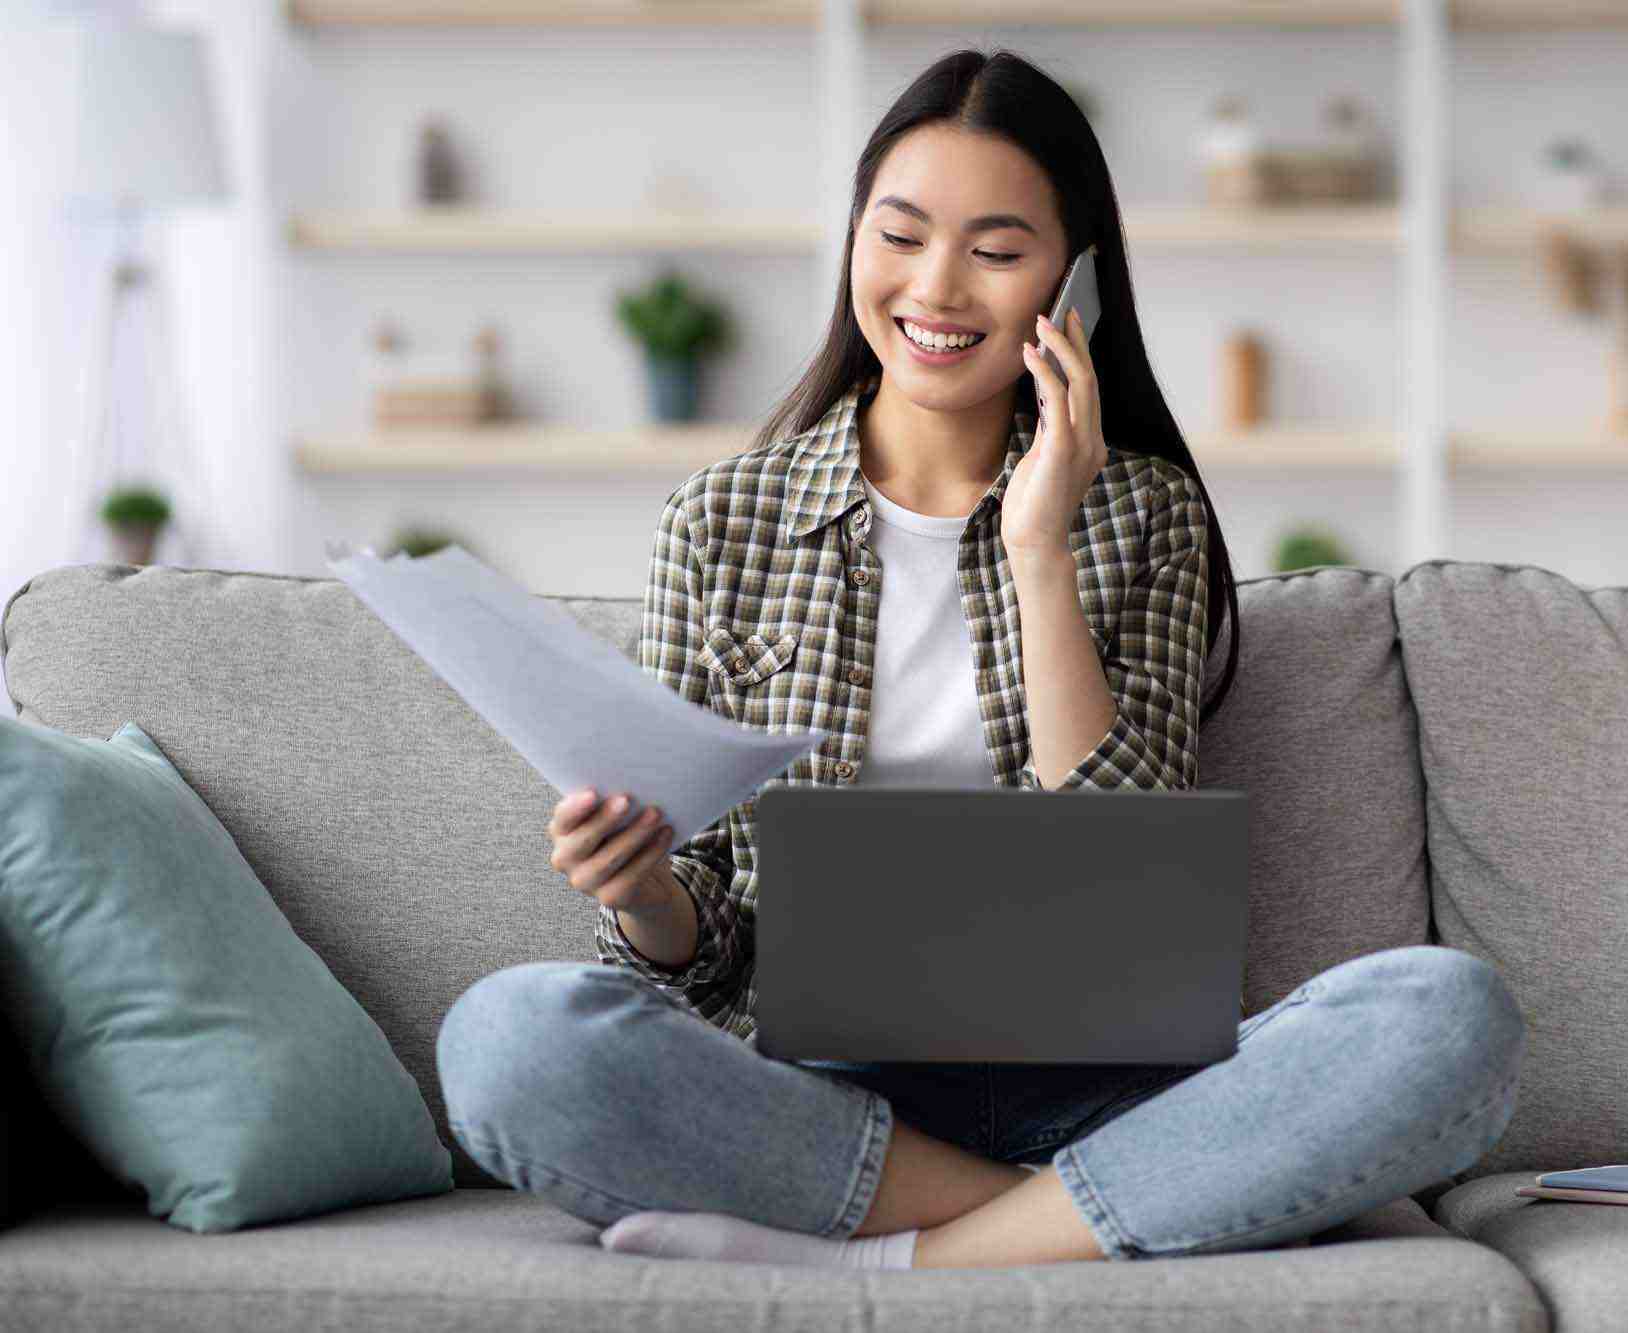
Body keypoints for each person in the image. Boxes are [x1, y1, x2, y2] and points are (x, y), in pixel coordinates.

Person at [437, 47, 1526, 1272]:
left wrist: (1037, 547)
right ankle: (1084, 1215)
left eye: (996, 253)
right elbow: (707, 958)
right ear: (852, 241)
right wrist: (639, 892)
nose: (935, 289)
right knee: (510, 1035)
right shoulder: (721, 519)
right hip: (829, 1097)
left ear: (1075, 285)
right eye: (897, 236)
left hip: (1119, 1088)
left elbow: (1127, 866)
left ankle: (894, 1257)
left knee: (1447, 1014)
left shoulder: (1139, 511)